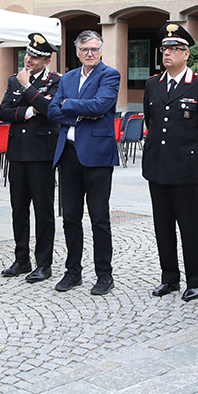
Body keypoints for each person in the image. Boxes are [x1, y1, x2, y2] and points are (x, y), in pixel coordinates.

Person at [141, 23, 198, 302]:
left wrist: (191, 154)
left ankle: (195, 280)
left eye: (174, 49)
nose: (167, 53)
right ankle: (169, 277)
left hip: (185, 169)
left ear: (186, 54)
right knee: (162, 226)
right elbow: (151, 122)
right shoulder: (153, 84)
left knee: (188, 226)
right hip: (158, 167)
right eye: (165, 48)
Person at [47, 30, 122, 295]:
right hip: (68, 154)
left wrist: (70, 105)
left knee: (99, 217)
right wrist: (77, 110)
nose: (89, 53)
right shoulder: (67, 78)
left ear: (100, 50)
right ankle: (73, 271)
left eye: (94, 49)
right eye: (84, 49)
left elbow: (100, 106)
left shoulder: (109, 75)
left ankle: (104, 274)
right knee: (70, 217)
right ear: (77, 52)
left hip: (97, 155)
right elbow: (52, 110)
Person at [0, 33, 63, 282]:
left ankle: (44, 263)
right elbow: (3, 111)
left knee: (43, 210)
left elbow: (50, 111)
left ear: (47, 61)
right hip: (18, 152)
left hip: (42, 154)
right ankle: (21, 259)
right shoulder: (14, 80)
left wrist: (28, 88)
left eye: (35, 57)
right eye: (28, 54)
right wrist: (27, 111)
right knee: (18, 210)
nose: (29, 60)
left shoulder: (56, 82)